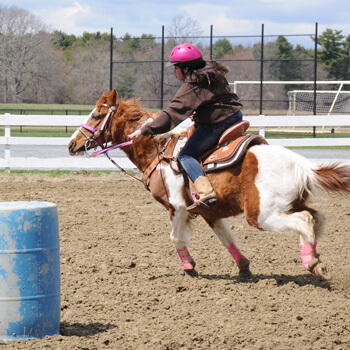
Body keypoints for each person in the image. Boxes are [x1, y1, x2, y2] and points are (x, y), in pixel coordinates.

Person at [128, 43, 243, 213]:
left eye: (176, 68)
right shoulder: (212, 73)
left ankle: (205, 192)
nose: (175, 72)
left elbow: (172, 114)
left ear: (186, 69)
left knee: (186, 155)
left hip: (218, 122)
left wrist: (144, 131)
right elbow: (214, 99)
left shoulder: (194, 84)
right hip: (235, 116)